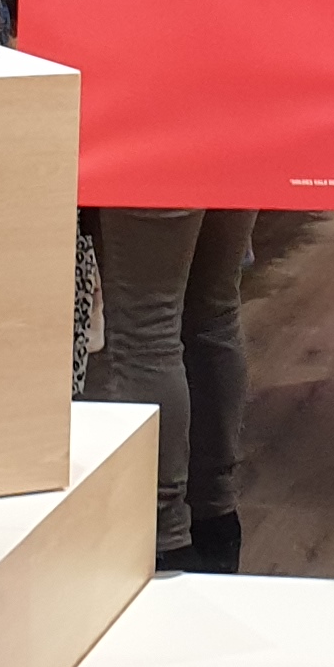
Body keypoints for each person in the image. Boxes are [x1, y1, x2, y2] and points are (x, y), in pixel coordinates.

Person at [89, 207, 254, 574]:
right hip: (240, 163)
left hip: (141, 167)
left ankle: (162, 537)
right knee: (214, 312)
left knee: (144, 331)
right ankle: (215, 521)